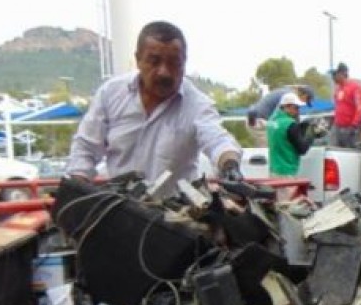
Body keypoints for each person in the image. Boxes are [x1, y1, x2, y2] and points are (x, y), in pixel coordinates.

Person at [66, 21, 243, 198]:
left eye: (174, 63)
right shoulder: (110, 94)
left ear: (184, 62)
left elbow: (217, 140)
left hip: (176, 216)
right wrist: (76, 188)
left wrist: (230, 167)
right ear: (138, 59)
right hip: (119, 210)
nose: (164, 72)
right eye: (154, 61)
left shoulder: (198, 105)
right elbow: (85, 148)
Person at [266, 92, 315, 177]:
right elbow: (302, 149)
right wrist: (312, 135)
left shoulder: (271, 122)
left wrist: (300, 127)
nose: (298, 111)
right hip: (287, 171)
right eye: (296, 108)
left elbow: (286, 139)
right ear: (287, 107)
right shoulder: (290, 124)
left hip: (274, 171)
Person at [247, 85, 314, 146]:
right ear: (305, 95)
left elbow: (292, 119)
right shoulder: (289, 96)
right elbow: (279, 117)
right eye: (306, 101)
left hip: (257, 119)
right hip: (259, 121)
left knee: (272, 147)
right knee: (272, 149)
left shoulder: (288, 92)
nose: (304, 104)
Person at [329, 62, 361, 148]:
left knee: (348, 152)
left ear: (343, 74)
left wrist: (353, 125)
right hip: (337, 125)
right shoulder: (338, 89)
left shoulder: (355, 87)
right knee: (333, 149)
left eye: (336, 74)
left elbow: (359, 108)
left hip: (349, 127)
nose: (334, 78)